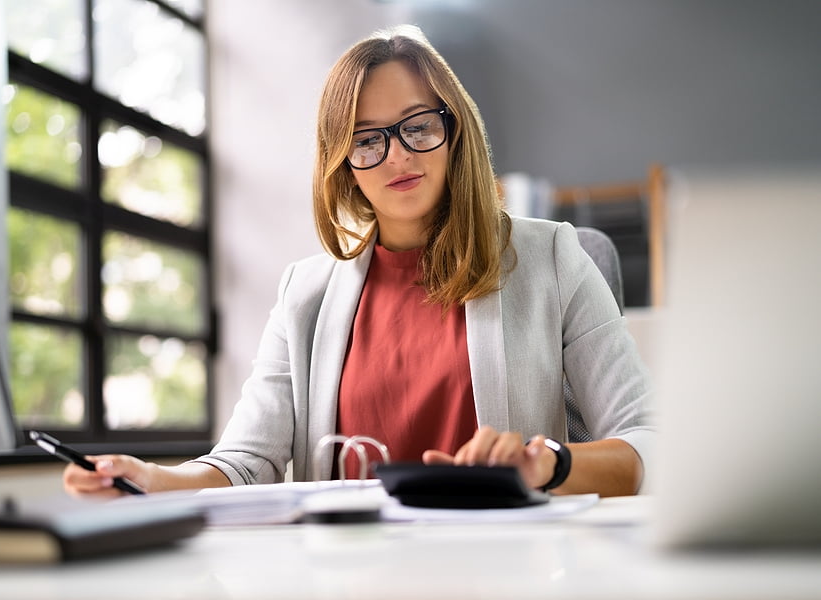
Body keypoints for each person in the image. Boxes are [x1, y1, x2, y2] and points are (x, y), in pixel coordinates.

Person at [64, 24, 654, 499]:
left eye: (417, 126)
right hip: (348, 572)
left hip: (501, 563)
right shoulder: (306, 292)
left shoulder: (553, 257)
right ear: (343, 163)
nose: (397, 155)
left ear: (454, 132)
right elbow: (247, 461)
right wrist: (152, 478)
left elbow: (646, 444)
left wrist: (546, 463)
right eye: (367, 139)